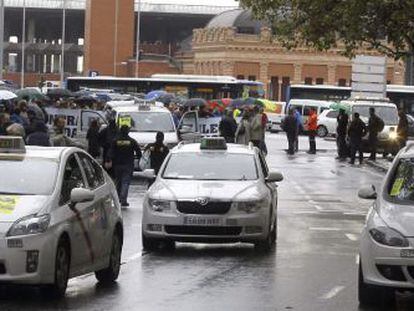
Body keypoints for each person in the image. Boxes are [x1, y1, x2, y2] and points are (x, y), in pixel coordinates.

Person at [106, 125, 142, 207]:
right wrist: (138, 159)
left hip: (117, 165)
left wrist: (108, 160)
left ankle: (118, 198)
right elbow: (139, 152)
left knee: (118, 181)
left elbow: (110, 152)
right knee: (125, 182)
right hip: (128, 164)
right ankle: (123, 199)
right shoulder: (132, 141)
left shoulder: (115, 141)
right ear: (128, 131)